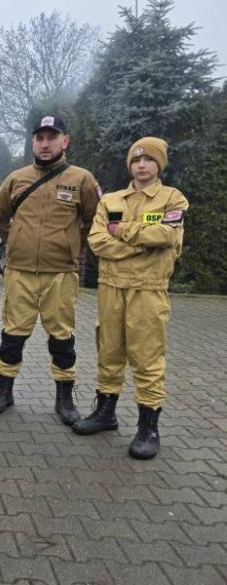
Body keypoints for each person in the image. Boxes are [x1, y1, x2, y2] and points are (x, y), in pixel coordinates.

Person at [74, 137, 187, 460]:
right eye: (136, 160)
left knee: (147, 358)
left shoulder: (172, 198)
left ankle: (148, 428)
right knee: (108, 351)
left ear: (159, 165)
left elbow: (166, 236)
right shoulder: (110, 199)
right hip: (111, 287)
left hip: (149, 290)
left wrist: (122, 231)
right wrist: (142, 244)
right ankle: (105, 413)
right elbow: (97, 241)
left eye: (149, 160)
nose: (141, 165)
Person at [0, 116, 100, 424]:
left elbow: (94, 221)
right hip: (19, 271)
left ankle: (64, 399)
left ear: (65, 141)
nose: (45, 143)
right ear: (32, 142)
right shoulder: (17, 178)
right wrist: (17, 240)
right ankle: (3, 391)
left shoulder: (82, 180)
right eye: (40, 138)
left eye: (52, 137)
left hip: (61, 274)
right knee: (13, 334)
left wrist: (72, 246)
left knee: (61, 338)